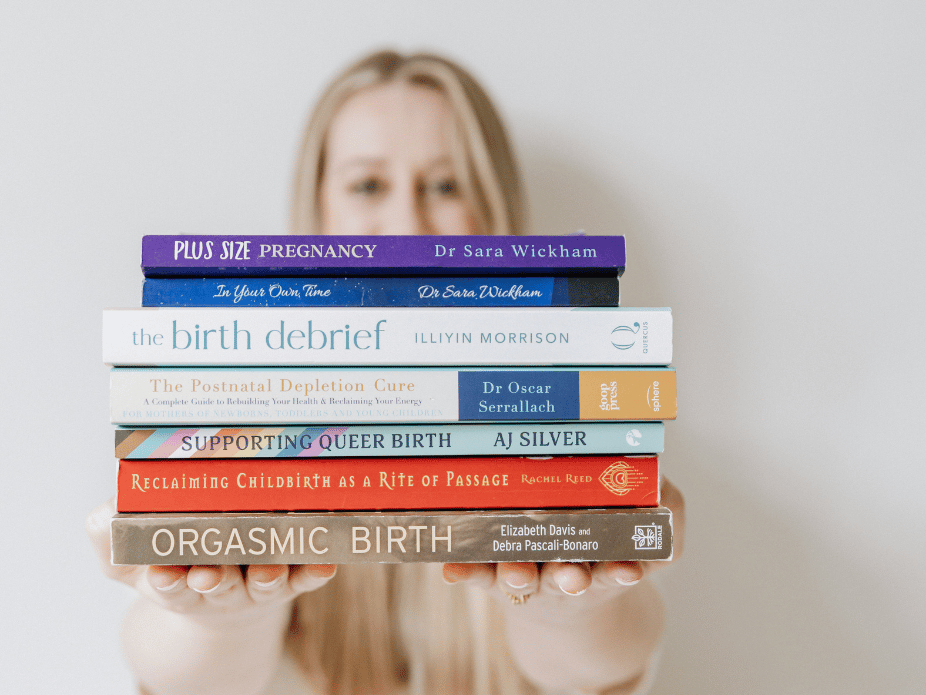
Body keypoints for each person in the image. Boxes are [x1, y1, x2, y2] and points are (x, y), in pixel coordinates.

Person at [88, 49, 685, 695]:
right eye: (368, 185)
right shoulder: (226, 412)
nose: (407, 226)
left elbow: (605, 667)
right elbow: (170, 665)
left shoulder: (588, 427)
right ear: (318, 212)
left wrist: (569, 611)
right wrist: (224, 622)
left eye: (446, 185)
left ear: (496, 212)